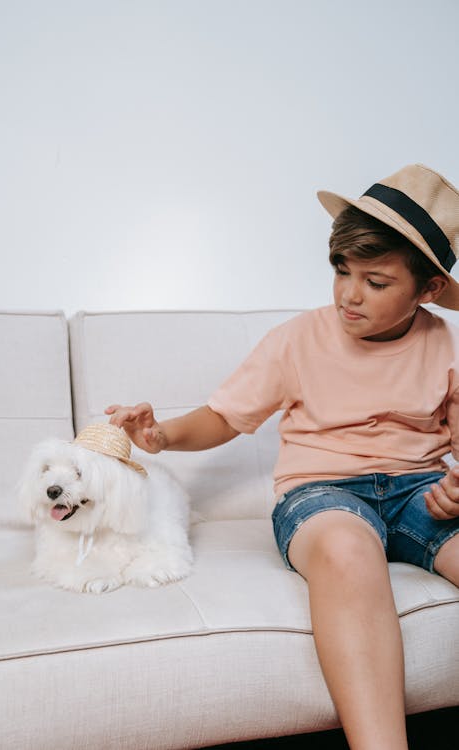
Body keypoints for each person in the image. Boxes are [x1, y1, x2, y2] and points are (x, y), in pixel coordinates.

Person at [106, 163, 459, 750]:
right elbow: (223, 416)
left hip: (420, 491)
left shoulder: (445, 343)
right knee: (348, 550)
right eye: (341, 271)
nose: (349, 293)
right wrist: (161, 435)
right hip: (324, 494)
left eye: (376, 282)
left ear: (428, 290)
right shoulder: (297, 339)